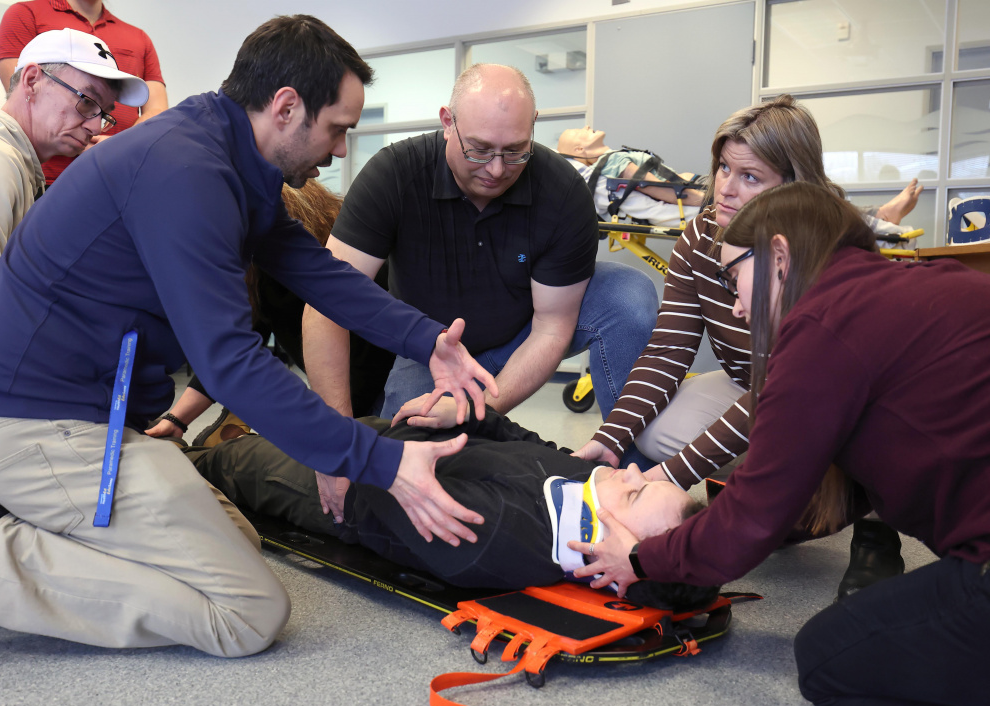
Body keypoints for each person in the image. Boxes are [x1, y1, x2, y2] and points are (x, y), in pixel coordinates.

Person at [0, 15, 498, 657]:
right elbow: (229, 363)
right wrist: (381, 463)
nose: (337, 152)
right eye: (337, 130)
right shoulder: (183, 169)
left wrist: (426, 339)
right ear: (286, 107)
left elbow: (311, 268)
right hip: (31, 421)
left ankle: (47, 524)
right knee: (247, 615)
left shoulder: (222, 152)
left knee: (238, 548)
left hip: (96, 417)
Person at [571, 182, 990, 706]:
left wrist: (639, 558)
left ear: (779, 256)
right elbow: (821, 488)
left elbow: (753, 520)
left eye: (733, 278)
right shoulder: (909, 285)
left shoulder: (820, 328)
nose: (738, 306)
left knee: (826, 660)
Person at [574, 95, 921, 598]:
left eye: (750, 177)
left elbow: (789, 388)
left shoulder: (822, 250)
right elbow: (669, 348)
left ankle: (875, 527)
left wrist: (673, 475)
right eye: (722, 169)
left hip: (834, 404)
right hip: (750, 386)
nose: (727, 190)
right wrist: (609, 438)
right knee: (651, 430)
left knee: (830, 483)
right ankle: (766, 497)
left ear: (793, 184)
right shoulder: (698, 236)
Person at [302, 63, 658, 505]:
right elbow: (326, 306)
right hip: (430, 350)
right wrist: (335, 445)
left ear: (533, 130)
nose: (496, 169)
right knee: (396, 474)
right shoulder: (394, 174)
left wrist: (480, 407)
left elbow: (552, 326)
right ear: (447, 123)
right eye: (479, 149)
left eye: (515, 151)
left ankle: (635, 480)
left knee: (629, 296)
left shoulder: (562, 192)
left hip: (522, 333)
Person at [185, 396, 712, 609]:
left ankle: (209, 452)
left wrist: (405, 428)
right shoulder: (584, 483)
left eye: (638, 491)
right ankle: (233, 437)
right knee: (275, 423)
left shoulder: (494, 538)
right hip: (375, 444)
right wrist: (459, 411)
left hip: (335, 487)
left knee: (209, 469)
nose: (635, 469)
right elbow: (514, 437)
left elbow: (385, 483)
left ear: (607, 548)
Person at [145, 181, 395, 442]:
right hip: (343, 391)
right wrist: (177, 420)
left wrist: (331, 430)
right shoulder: (260, 273)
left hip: (379, 387)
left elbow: (368, 368)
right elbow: (230, 348)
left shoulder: (345, 258)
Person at [0, 27, 147, 334]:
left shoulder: (15, 161)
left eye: (104, 112)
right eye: (87, 100)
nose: (95, 125)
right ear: (32, 81)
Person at [0, 0, 168, 185]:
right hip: (46, 175)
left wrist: (119, 147)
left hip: (115, 178)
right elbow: (20, 93)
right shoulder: (26, 13)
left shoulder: (138, 38)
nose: (95, 127)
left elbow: (158, 111)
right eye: (86, 101)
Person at [556, 126, 705, 226]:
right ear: (580, 149)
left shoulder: (612, 158)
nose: (587, 127)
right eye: (577, 131)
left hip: (696, 184)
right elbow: (661, 190)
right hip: (698, 193)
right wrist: (708, 202)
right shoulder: (611, 163)